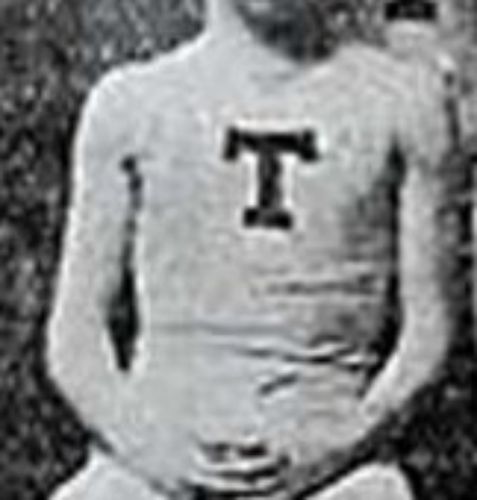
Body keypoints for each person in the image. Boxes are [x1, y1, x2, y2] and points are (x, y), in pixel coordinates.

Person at [47, 1, 456, 499]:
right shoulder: (131, 102)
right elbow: (75, 339)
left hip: (334, 460)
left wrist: (341, 443)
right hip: (156, 455)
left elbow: (427, 333)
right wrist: (154, 452)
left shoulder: (404, 101)